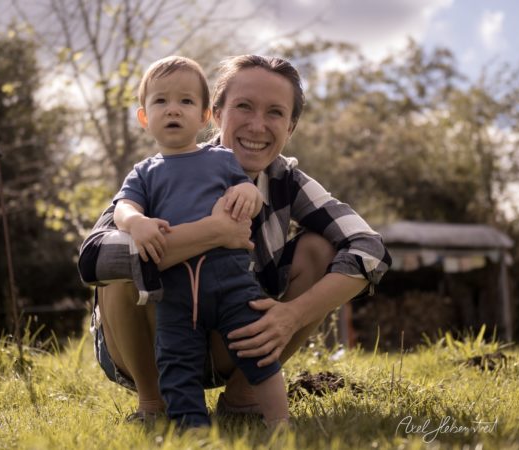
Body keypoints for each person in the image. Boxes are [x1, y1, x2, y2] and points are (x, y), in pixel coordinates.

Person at [78, 54, 391, 423]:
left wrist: (293, 315)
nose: (257, 126)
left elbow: (371, 248)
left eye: (275, 113)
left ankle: (243, 399)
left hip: (240, 338)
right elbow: (94, 258)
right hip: (158, 337)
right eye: (244, 106)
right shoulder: (161, 169)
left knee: (319, 249)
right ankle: (153, 405)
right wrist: (213, 232)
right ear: (215, 114)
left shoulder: (286, 181)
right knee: (123, 261)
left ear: (290, 128)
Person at [111, 55, 289, 428]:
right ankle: (193, 430)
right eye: (161, 101)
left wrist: (249, 194)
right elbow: (122, 208)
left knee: (257, 352)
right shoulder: (144, 173)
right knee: (176, 362)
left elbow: (246, 189)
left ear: (205, 116)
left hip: (231, 282)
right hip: (174, 291)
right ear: (144, 117)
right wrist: (136, 222)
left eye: (186, 101)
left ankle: (279, 423)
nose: (173, 109)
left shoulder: (221, 159)